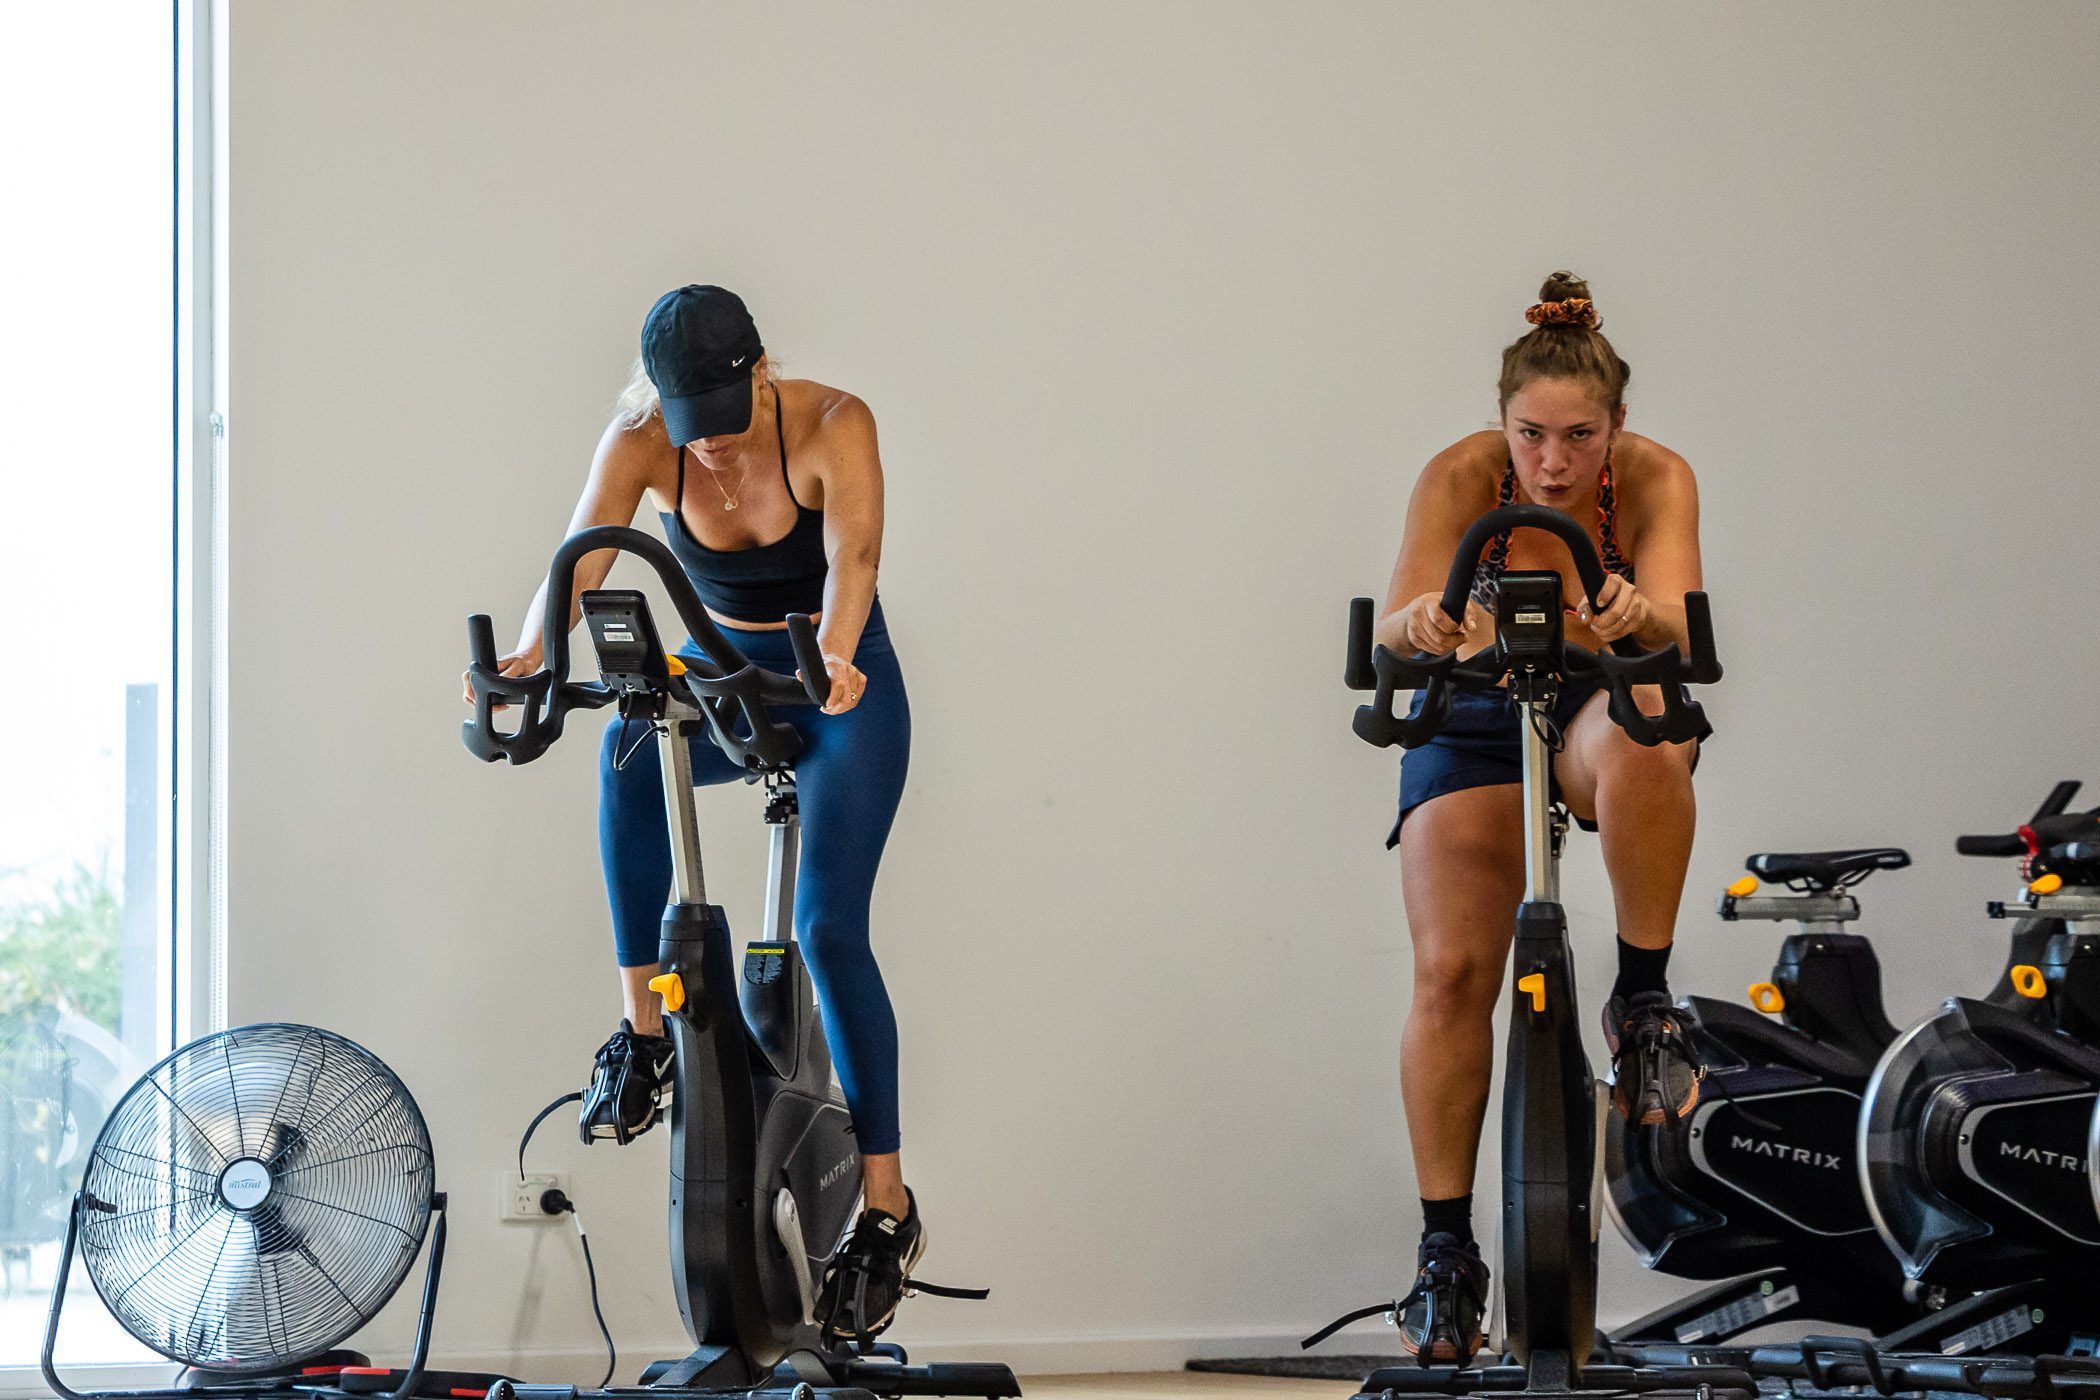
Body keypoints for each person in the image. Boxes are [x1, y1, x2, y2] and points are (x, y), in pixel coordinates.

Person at [471, 284, 924, 1340]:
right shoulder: (639, 439)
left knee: (826, 928)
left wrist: (843, 654)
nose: (711, 457)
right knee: (626, 753)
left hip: (840, 686)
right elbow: (580, 554)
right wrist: (535, 650)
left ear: (760, 377)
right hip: (722, 670)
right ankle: (642, 1036)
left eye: (726, 429)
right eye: (692, 435)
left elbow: (855, 557)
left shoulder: (831, 422)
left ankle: (888, 1204)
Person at [1372, 272, 1709, 1361]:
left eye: (1579, 435)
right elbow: (1401, 617)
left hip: (1600, 697)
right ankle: (1444, 1253)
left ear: (1616, 426)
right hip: (1475, 707)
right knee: (1452, 974)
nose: (1554, 462)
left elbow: (1678, 617)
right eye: (1532, 434)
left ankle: (1645, 998)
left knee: (1655, 721)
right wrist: (1426, 621)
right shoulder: (1460, 476)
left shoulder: (1655, 478)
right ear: (1501, 420)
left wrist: (1636, 610)